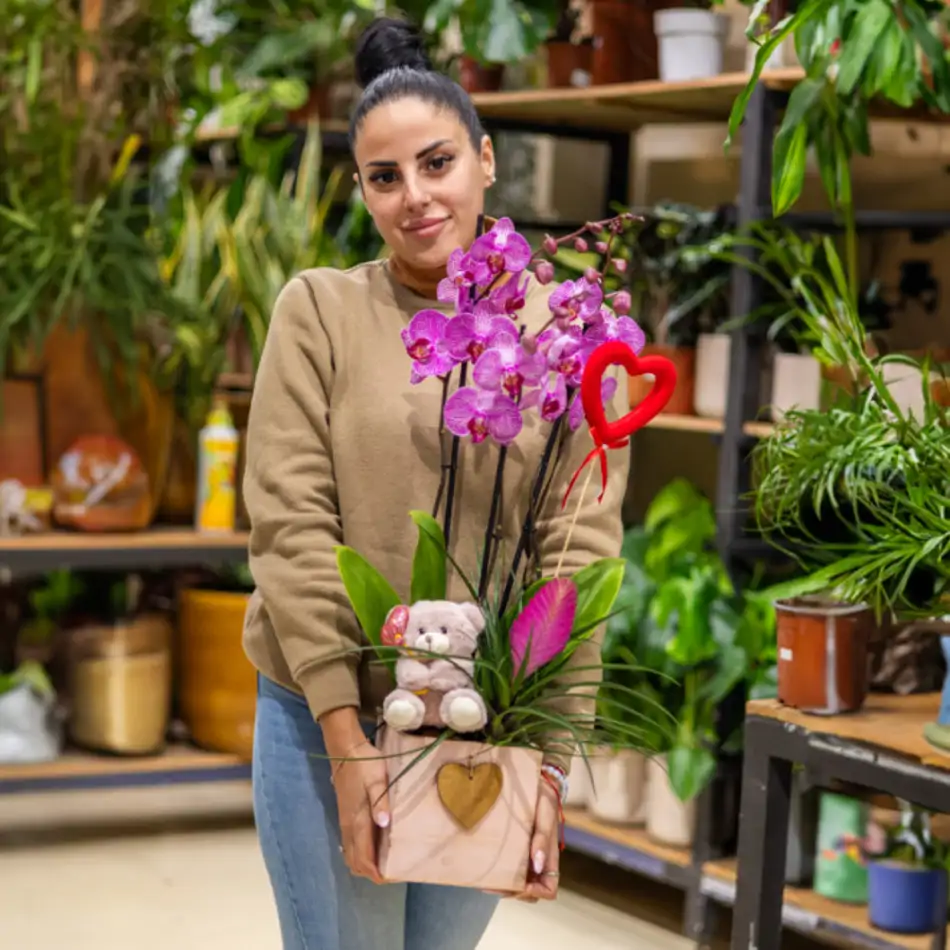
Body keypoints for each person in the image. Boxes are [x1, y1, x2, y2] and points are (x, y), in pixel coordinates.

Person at [242, 16, 629, 950]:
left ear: (486, 160)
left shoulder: (570, 337)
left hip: (486, 726)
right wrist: (344, 742)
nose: (415, 196)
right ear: (363, 190)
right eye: (385, 176)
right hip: (322, 714)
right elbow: (290, 527)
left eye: (437, 162)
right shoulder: (320, 313)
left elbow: (575, 554)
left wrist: (545, 763)